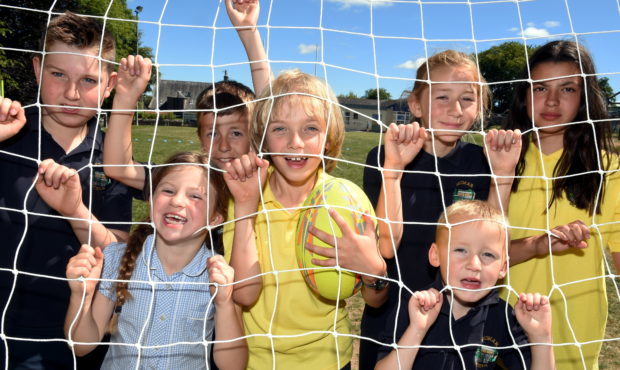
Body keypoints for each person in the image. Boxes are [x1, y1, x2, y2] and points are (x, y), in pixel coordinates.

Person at [359, 49, 522, 367]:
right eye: (442, 97)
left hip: (458, 314)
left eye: (467, 99)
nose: (455, 109)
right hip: (392, 311)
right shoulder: (383, 157)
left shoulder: (479, 162)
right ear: (415, 105)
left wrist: (502, 176)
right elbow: (386, 247)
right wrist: (394, 168)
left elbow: (492, 236)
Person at [221, 69, 387, 369]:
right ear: (263, 137)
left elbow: (375, 300)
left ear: (328, 137)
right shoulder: (246, 194)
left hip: (328, 359)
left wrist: (373, 270)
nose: (295, 142)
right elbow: (244, 294)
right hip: (256, 360)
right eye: (280, 129)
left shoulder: (348, 201)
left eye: (310, 128)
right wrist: (246, 206)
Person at [0, 12, 138, 368]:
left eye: (89, 80)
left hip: (74, 333)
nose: (72, 93)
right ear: (36, 69)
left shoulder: (113, 159)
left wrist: (74, 210)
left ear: (110, 86)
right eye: (58, 74)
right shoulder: (8, 131)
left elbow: (120, 254)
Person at [64, 152, 247, 369]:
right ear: (151, 202)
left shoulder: (221, 276)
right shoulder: (117, 257)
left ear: (216, 218)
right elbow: (81, 346)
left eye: (196, 196)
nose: (177, 201)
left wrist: (225, 303)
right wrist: (81, 296)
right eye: (168, 190)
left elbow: (233, 366)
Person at [502, 40, 620, 369]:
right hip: (499, 327)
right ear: (524, 95)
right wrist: (538, 245)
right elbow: (473, 252)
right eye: (540, 88)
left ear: (584, 97)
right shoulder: (497, 159)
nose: (552, 100)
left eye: (567, 88)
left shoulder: (609, 169)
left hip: (574, 331)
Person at [103, 0, 269, 190]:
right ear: (200, 139)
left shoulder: (265, 179)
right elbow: (118, 169)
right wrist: (125, 98)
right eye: (212, 133)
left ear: (255, 135)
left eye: (236, 133)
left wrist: (248, 32)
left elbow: (271, 103)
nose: (224, 145)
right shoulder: (186, 181)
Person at [375, 200, 555, 370]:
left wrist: (541, 337)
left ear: (503, 267)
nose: (475, 265)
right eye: (461, 250)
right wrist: (417, 329)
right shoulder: (413, 305)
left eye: (488, 255)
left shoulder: (503, 316)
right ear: (435, 255)